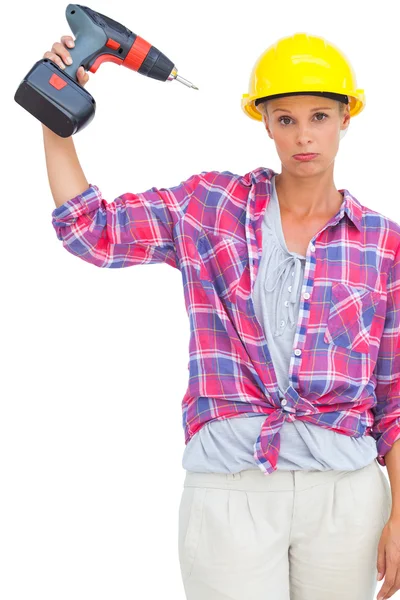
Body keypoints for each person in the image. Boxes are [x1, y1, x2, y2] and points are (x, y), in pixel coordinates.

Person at [44, 32, 400, 600]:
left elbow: (394, 395)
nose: (303, 135)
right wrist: (55, 115)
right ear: (263, 122)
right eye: (285, 119)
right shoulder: (210, 208)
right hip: (231, 489)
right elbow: (92, 231)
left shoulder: (382, 242)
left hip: (345, 496)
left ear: (346, 117)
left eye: (319, 116)